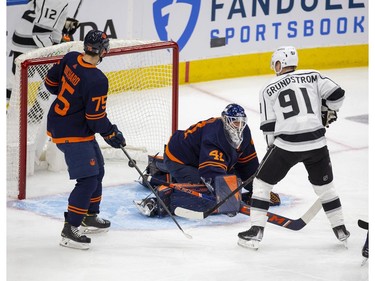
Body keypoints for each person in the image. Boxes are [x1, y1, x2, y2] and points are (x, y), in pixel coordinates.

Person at [237, 46, 349, 250]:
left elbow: (269, 128)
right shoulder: (313, 76)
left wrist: (271, 151)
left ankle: (255, 232)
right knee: (325, 188)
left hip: (286, 145)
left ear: (279, 64)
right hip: (317, 143)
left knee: (262, 184)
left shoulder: (268, 88)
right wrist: (327, 110)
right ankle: (340, 228)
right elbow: (338, 95)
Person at [44, 29, 126, 250]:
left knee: (98, 169)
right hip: (71, 133)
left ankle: (89, 216)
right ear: (103, 51)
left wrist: (72, 101)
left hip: (62, 123)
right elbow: (95, 119)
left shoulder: (71, 57)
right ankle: (70, 229)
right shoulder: (97, 79)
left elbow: (50, 83)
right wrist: (112, 134)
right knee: (88, 179)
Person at [135, 103, 280, 217]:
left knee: (233, 181)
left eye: (241, 122)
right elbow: (210, 173)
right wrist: (228, 200)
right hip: (178, 158)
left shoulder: (245, 133)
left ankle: (158, 174)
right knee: (205, 192)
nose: (239, 126)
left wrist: (259, 191)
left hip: (195, 158)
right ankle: (159, 201)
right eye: (235, 122)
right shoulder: (214, 134)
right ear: (225, 120)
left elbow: (248, 164)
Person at [7, 0, 80, 111]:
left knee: (15, 80)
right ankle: (38, 110)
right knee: (55, 78)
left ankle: (36, 109)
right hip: (31, 45)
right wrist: (55, 51)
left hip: (22, 38)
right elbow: (40, 34)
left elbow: (43, 16)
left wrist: (61, 24)